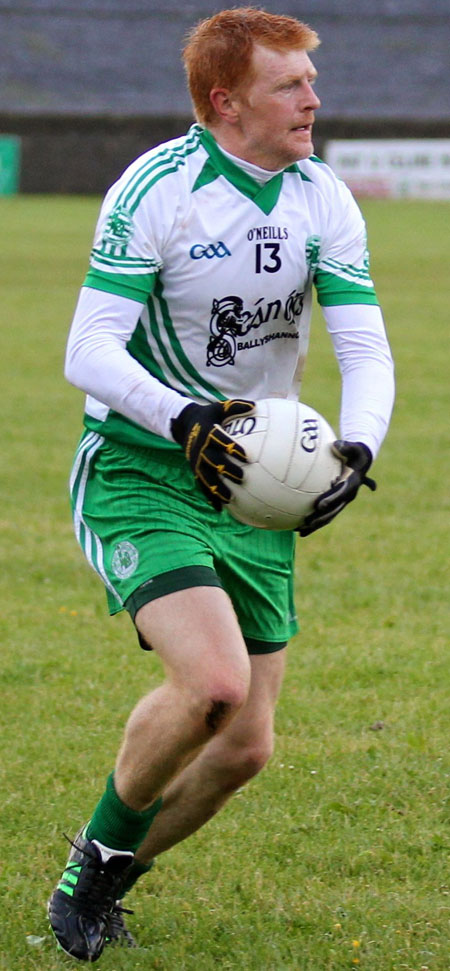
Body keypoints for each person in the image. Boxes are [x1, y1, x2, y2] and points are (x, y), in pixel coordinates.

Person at [48, 6, 395, 961]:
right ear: (223, 100)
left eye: (310, 82)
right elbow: (87, 349)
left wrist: (356, 446)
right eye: (289, 85)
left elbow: (364, 348)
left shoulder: (323, 197)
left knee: (245, 746)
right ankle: (91, 870)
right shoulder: (158, 189)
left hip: (252, 486)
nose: (312, 99)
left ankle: (104, 868)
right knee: (211, 683)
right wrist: (185, 418)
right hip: (142, 464)